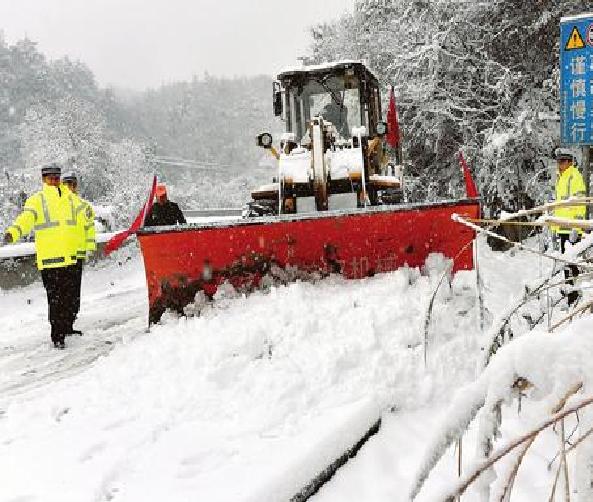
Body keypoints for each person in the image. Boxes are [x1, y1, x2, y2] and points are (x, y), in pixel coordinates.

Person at [2, 163, 79, 348]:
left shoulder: (69, 198)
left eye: (56, 178)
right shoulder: (37, 200)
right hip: (50, 260)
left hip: (69, 258)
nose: (53, 181)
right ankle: (57, 335)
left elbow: (81, 217)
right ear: (43, 179)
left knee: (69, 297)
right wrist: (13, 232)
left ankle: (67, 327)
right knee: (56, 300)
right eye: (50, 178)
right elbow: (26, 219)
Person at [62, 171, 96, 334]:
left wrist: (89, 249)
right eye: (68, 184)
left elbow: (89, 229)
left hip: (78, 256)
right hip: (62, 256)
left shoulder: (84, 206)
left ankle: (69, 323)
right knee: (63, 293)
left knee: (74, 293)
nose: (71, 187)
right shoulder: (58, 206)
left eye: (73, 184)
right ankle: (62, 326)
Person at [553, 149, 587, 306]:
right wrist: (555, 227)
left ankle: (575, 295)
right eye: (558, 162)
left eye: (562, 162)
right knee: (566, 263)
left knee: (572, 263)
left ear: (569, 162)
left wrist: (576, 226)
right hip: (562, 227)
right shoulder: (561, 178)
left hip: (571, 228)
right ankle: (570, 294)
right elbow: (559, 204)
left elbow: (581, 202)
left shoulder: (574, 176)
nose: (559, 165)